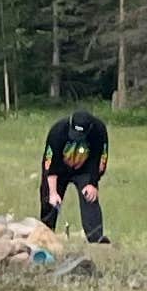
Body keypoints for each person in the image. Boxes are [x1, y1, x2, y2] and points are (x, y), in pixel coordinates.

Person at [40, 103, 110, 242]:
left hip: (85, 169)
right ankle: (46, 235)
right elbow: (50, 164)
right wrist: (53, 193)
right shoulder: (58, 130)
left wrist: (93, 183)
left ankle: (96, 238)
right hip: (59, 168)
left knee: (90, 197)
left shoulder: (99, 130)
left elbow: (100, 158)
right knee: (49, 199)